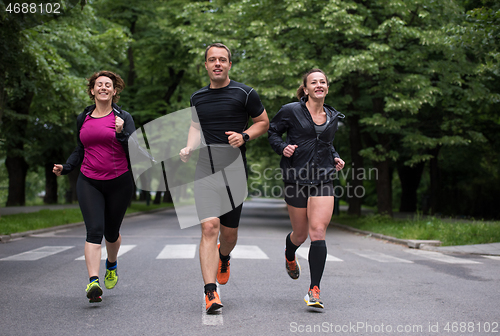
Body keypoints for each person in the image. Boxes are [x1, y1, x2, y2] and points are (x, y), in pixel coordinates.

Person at [179, 43, 269, 313]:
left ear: (229, 64)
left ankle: (224, 256)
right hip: (205, 168)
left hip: (234, 171)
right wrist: (188, 146)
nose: (217, 63)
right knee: (209, 227)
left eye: (222, 59)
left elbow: (263, 122)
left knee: (228, 235)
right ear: (205, 65)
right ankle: (210, 292)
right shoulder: (197, 97)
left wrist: (244, 136)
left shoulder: (245, 93)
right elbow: (196, 127)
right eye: (212, 60)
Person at [53, 71, 135, 303]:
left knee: (111, 233)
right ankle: (93, 281)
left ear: (114, 91)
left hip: (119, 182)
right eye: (99, 85)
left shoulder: (123, 117)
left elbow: (134, 149)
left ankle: (111, 264)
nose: (103, 88)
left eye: (108, 85)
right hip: (89, 180)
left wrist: (121, 133)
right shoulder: (84, 118)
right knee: (94, 231)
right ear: (92, 90)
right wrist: (67, 168)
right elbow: (80, 149)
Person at [268, 69, 345, 309]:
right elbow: (272, 131)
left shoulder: (332, 116)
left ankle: (314, 290)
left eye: (323, 82)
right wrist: (282, 147)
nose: (319, 85)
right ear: (306, 88)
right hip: (296, 177)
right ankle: (290, 254)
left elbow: (326, 144)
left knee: (318, 231)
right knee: (300, 235)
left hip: (323, 177)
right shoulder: (291, 110)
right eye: (314, 82)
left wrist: (336, 157)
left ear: (327, 88)